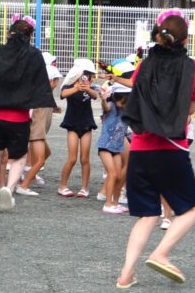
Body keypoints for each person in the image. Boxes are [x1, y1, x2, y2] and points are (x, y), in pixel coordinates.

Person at [116, 10, 195, 288]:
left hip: (140, 147)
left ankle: (126, 275)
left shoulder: (144, 65)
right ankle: (161, 253)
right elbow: (190, 107)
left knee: (147, 214)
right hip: (171, 147)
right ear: (186, 39)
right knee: (192, 208)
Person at [0, 15, 55, 211]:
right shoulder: (34, 55)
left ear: (10, 33)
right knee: (18, 158)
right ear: (30, 36)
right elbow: (41, 85)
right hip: (18, 117)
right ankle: (9, 188)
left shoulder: (0, 52)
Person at [57, 58, 100, 198]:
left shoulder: (91, 87)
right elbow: (62, 95)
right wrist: (76, 87)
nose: (87, 78)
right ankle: (62, 186)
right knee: (72, 158)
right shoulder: (68, 86)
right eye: (85, 74)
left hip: (87, 124)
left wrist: (88, 88)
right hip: (72, 124)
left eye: (89, 75)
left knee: (85, 159)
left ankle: (84, 188)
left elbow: (96, 96)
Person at [19, 52, 60, 195]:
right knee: (40, 160)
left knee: (46, 154)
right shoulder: (41, 94)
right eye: (56, 80)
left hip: (40, 133)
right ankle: (24, 185)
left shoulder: (43, 94)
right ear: (50, 81)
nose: (57, 83)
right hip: (37, 132)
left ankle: (26, 175)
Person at [97, 83, 131, 214]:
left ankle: (116, 203)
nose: (125, 105)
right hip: (105, 146)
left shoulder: (127, 111)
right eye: (123, 102)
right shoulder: (110, 107)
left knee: (117, 176)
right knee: (112, 174)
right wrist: (103, 99)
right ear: (116, 98)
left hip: (117, 147)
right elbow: (105, 107)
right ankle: (108, 204)